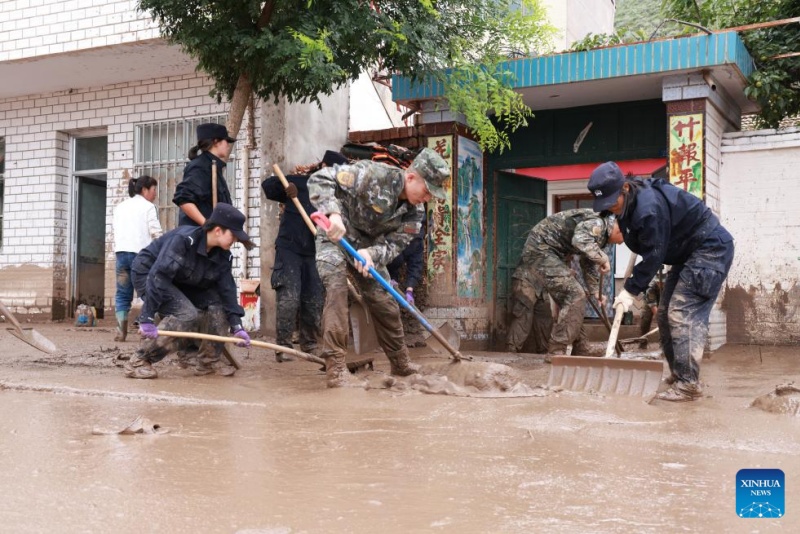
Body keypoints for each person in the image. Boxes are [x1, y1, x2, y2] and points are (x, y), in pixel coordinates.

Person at [588, 161, 735, 402]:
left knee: (681, 312)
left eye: (612, 202)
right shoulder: (629, 204)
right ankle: (679, 375)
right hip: (686, 253)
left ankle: (688, 385)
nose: (610, 208)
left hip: (709, 248)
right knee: (665, 313)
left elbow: (654, 255)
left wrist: (630, 290)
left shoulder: (648, 209)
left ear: (625, 188)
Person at [308, 147, 450, 387]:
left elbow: (395, 246)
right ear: (411, 177)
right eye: (427, 191)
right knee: (337, 290)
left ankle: (401, 364)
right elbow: (320, 179)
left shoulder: (414, 215)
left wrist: (371, 254)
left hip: (366, 251)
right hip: (335, 237)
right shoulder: (374, 174)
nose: (427, 199)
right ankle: (336, 369)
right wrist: (333, 214)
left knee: (385, 301)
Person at [124, 203, 253, 379]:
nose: (236, 240)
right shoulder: (183, 240)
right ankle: (139, 360)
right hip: (149, 273)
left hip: (181, 280)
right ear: (218, 231)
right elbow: (159, 276)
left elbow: (227, 291)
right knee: (188, 315)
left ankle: (208, 361)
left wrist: (237, 326)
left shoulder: (223, 256)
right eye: (233, 235)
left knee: (218, 305)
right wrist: (147, 317)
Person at [261, 150, 348, 362]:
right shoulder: (300, 183)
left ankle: (310, 344)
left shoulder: (336, 198)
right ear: (324, 166)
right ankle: (283, 347)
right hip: (289, 249)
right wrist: (285, 188)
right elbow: (268, 186)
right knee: (289, 298)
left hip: (316, 253)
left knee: (314, 300)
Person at [512, 209, 623, 356]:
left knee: (573, 300)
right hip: (541, 250)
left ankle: (580, 346)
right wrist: (603, 257)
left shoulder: (602, 232)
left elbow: (587, 262)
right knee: (575, 295)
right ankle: (556, 349)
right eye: (623, 240)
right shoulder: (598, 224)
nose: (621, 243)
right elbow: (579, 240)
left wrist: (595, 291)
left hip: (551, 253)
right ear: (619, 230)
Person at [112, 175, 162, 342]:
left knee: (122, 293)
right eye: (154, 190)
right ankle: (147, 329)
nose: (155, 194)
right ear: (145, 189)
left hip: (121, 254)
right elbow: (156, 232)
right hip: (141, 256)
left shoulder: (120, 207)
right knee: (149, 292)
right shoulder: (149, 207)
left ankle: (121, 332)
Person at [173, 123, 237, 227]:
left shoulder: (213, 165)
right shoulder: (200, 167)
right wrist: (206, 224)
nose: (228, 145)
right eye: (226, 141)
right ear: (216, 142)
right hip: (201, 234)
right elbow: (184, 199)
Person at [387, 222, 427, 348]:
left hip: (394, 266)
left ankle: (395, 339)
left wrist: (409, 290)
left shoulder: (416, 242)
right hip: (376, 264)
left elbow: (415, 265)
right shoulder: (391, 234)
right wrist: (389, 278)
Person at [506, 269, 553, 355]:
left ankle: (543, 350)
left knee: (544, 317)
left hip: (540, 286)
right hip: (527, 279)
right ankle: (512, 348)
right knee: (524, 315)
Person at [639, 268, 666, 348]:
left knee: (665, 320)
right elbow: (653, 305)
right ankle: (643, 343)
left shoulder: (670, 284)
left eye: (662, 283)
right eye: (658, 282)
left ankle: (663, 345)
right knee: (645, 319)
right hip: (649, 301)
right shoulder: (651, 287)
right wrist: (659, 319)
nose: (660, 284)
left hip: (664, 299)